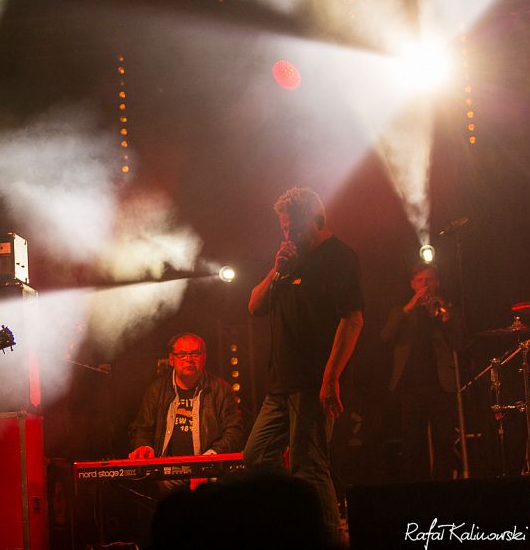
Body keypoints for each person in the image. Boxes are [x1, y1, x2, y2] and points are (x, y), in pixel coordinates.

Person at [244, 187, 364, 540]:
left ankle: (329, 538)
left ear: (317, 220)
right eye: (284, 229)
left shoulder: (339, 257)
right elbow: (254, 306)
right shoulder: (289, 260)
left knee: (309, 465)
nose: (288, 235)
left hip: (313, 382)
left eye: (294, 227)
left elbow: (352, 320)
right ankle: (291, 526)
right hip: (280, 384)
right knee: (256, 456)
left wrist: (331, 378)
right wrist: (275, 268)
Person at [380, 262, 463, 481]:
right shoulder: (401, 311)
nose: (425, 285)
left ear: (437, 283)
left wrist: (445, 317)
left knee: (444, 443)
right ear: (412, 284)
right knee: (412, 446)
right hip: (410, 388)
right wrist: (409, 307)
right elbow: (385, 336)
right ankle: (418, 492)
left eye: (429, 280)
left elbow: (460, 342)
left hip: (441, 386)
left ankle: (443, 491)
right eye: (420, 281)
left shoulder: (447, 309)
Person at [128, 333, 245, 463]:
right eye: (182, 354)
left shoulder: (222, 390)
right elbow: (142, 429)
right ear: (171, 359)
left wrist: (211, 456)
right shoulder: (155, 390)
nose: (189, 359)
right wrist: (144, 447)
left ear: (204, 358)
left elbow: (234, 430)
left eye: (195, 354)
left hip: (208, 468)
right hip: (164, 470)